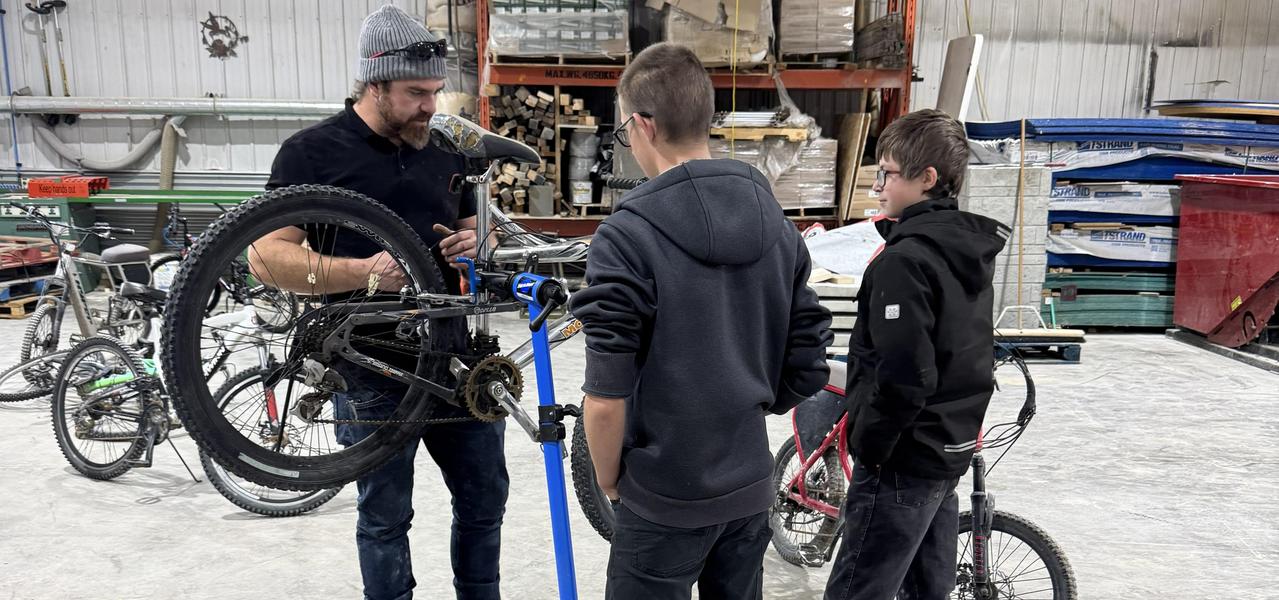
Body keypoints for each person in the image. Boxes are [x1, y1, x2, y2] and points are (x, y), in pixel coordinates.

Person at [256, 6, 507, 600]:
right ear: (373, 84)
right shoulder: (310, 154)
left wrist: (482, 239)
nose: (430, 106)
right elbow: (265, 256)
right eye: (415, 93)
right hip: (368, 365)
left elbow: (484, 231)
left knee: (484, 503)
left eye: (436, 91)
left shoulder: (447, 148)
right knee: (385, 515)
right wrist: (362, 272)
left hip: (456, 357)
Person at [568, 42, 833, 600]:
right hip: (748, 485)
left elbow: (606, 395)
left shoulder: (626, 235)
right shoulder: (776, 222)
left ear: (643, 125)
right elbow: (808, 357)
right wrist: (748, 401)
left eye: (623, 133)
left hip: (664, 492)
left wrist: (610, 478)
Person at [823, 109, 1011, 600]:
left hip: (903, 459)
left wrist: (872, 444)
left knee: (857, 589)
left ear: (926, 179)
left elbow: (906, 375)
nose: (877, 186)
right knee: (928, 588)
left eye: (886, 173)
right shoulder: (965, 250)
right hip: (947, 448)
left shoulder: (904, 261)